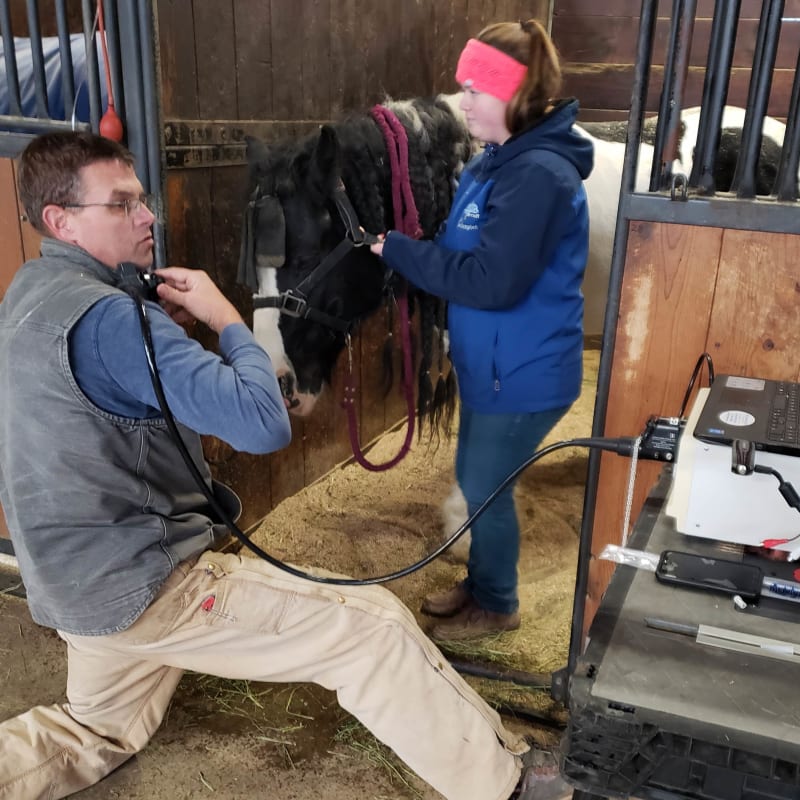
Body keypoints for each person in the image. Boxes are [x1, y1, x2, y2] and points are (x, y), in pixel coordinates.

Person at [0, 131, 569, 800]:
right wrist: (225, 319)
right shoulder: (118, 321)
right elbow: (262, 423)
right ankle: (511, 784)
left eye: (142, 199)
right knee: (372, 629)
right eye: (123, 204)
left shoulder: (32, 290)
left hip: (72, 588)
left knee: (94, 731)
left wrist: (162, 329)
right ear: (60, 220)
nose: (148, 215)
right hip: (145, 586)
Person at [370, 19, 594, 641]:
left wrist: (401, 252)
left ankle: (498, 604)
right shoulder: (491, 167)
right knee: (477, 481)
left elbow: (493, 281)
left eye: (476, 89)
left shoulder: (538, 176)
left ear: (516, 95)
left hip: (525, 371)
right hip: (493, 366)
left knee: (483, 489)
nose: (462, 101)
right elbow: (459, 249)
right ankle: (480, 586)